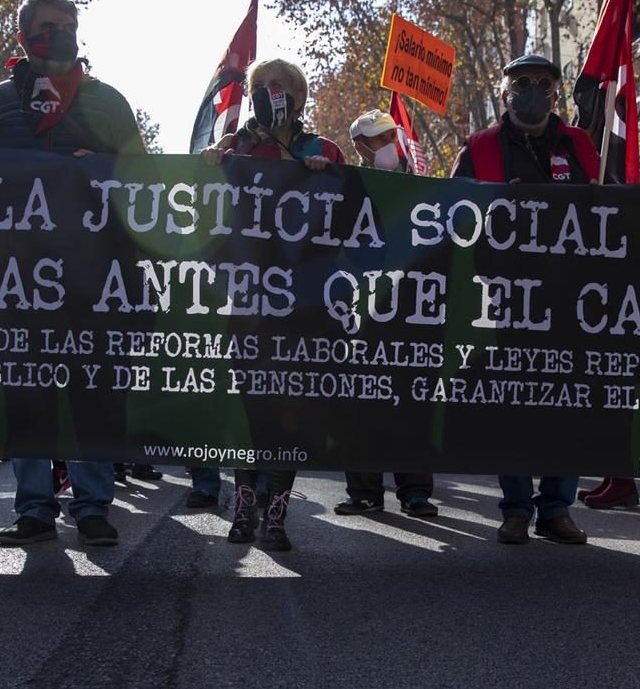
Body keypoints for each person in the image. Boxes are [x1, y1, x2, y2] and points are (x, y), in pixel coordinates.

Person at [0, 0, 143, 549]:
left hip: (94, 283)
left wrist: (104, 170)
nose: (59, 36)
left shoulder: (108, 103)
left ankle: (93, 506)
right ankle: (34, 509)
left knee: (95, 394)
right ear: (23, 36)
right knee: (26, 398)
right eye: (47, 27)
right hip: (16, 283)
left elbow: (142, 186)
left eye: (68, 26)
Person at [452, 55, 594, 546]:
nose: (534, 91)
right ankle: (515, 509)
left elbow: (610, 208)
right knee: (512, 402)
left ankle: (556, 508)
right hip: (506, 299)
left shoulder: (579, 144)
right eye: (523, 83)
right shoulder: (480, 148)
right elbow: (451, 215)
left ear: (556, 93)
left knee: (567, 403)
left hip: (572, 297)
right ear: (505, 93)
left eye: (544, 84)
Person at [200, 57, 341, 551]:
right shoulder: (235, 148)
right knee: (251, 410)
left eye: (278, 86)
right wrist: (215, 163)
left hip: (302, 311)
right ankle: (243, 512)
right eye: (260, 85)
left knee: (290, 412)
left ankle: (276, 516)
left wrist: (324, 175)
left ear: (299, 97)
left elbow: (350, 217)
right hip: (246, 306)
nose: (269, 92)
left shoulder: (322, 150)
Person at [336, 110, 438, 520]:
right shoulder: (346, 187)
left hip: (410, 312)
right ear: (360, 147)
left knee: (412, 404)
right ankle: (364, 491)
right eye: (379, 140)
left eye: (390, 137)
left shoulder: (417, 186)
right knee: (360, 404)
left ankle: (415, 491)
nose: (388, 145)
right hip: (362, 312)